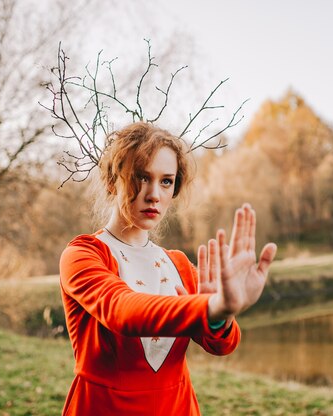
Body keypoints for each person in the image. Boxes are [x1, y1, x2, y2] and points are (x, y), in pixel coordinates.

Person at [59, 122, 277, 415]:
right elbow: (123, 311)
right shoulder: (84, 254)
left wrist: (223, 315)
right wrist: (208, 307)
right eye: (141, 177)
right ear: (113, 181)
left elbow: (222, 345)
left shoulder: (179, 265)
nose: (154, 195)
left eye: (166, 181)